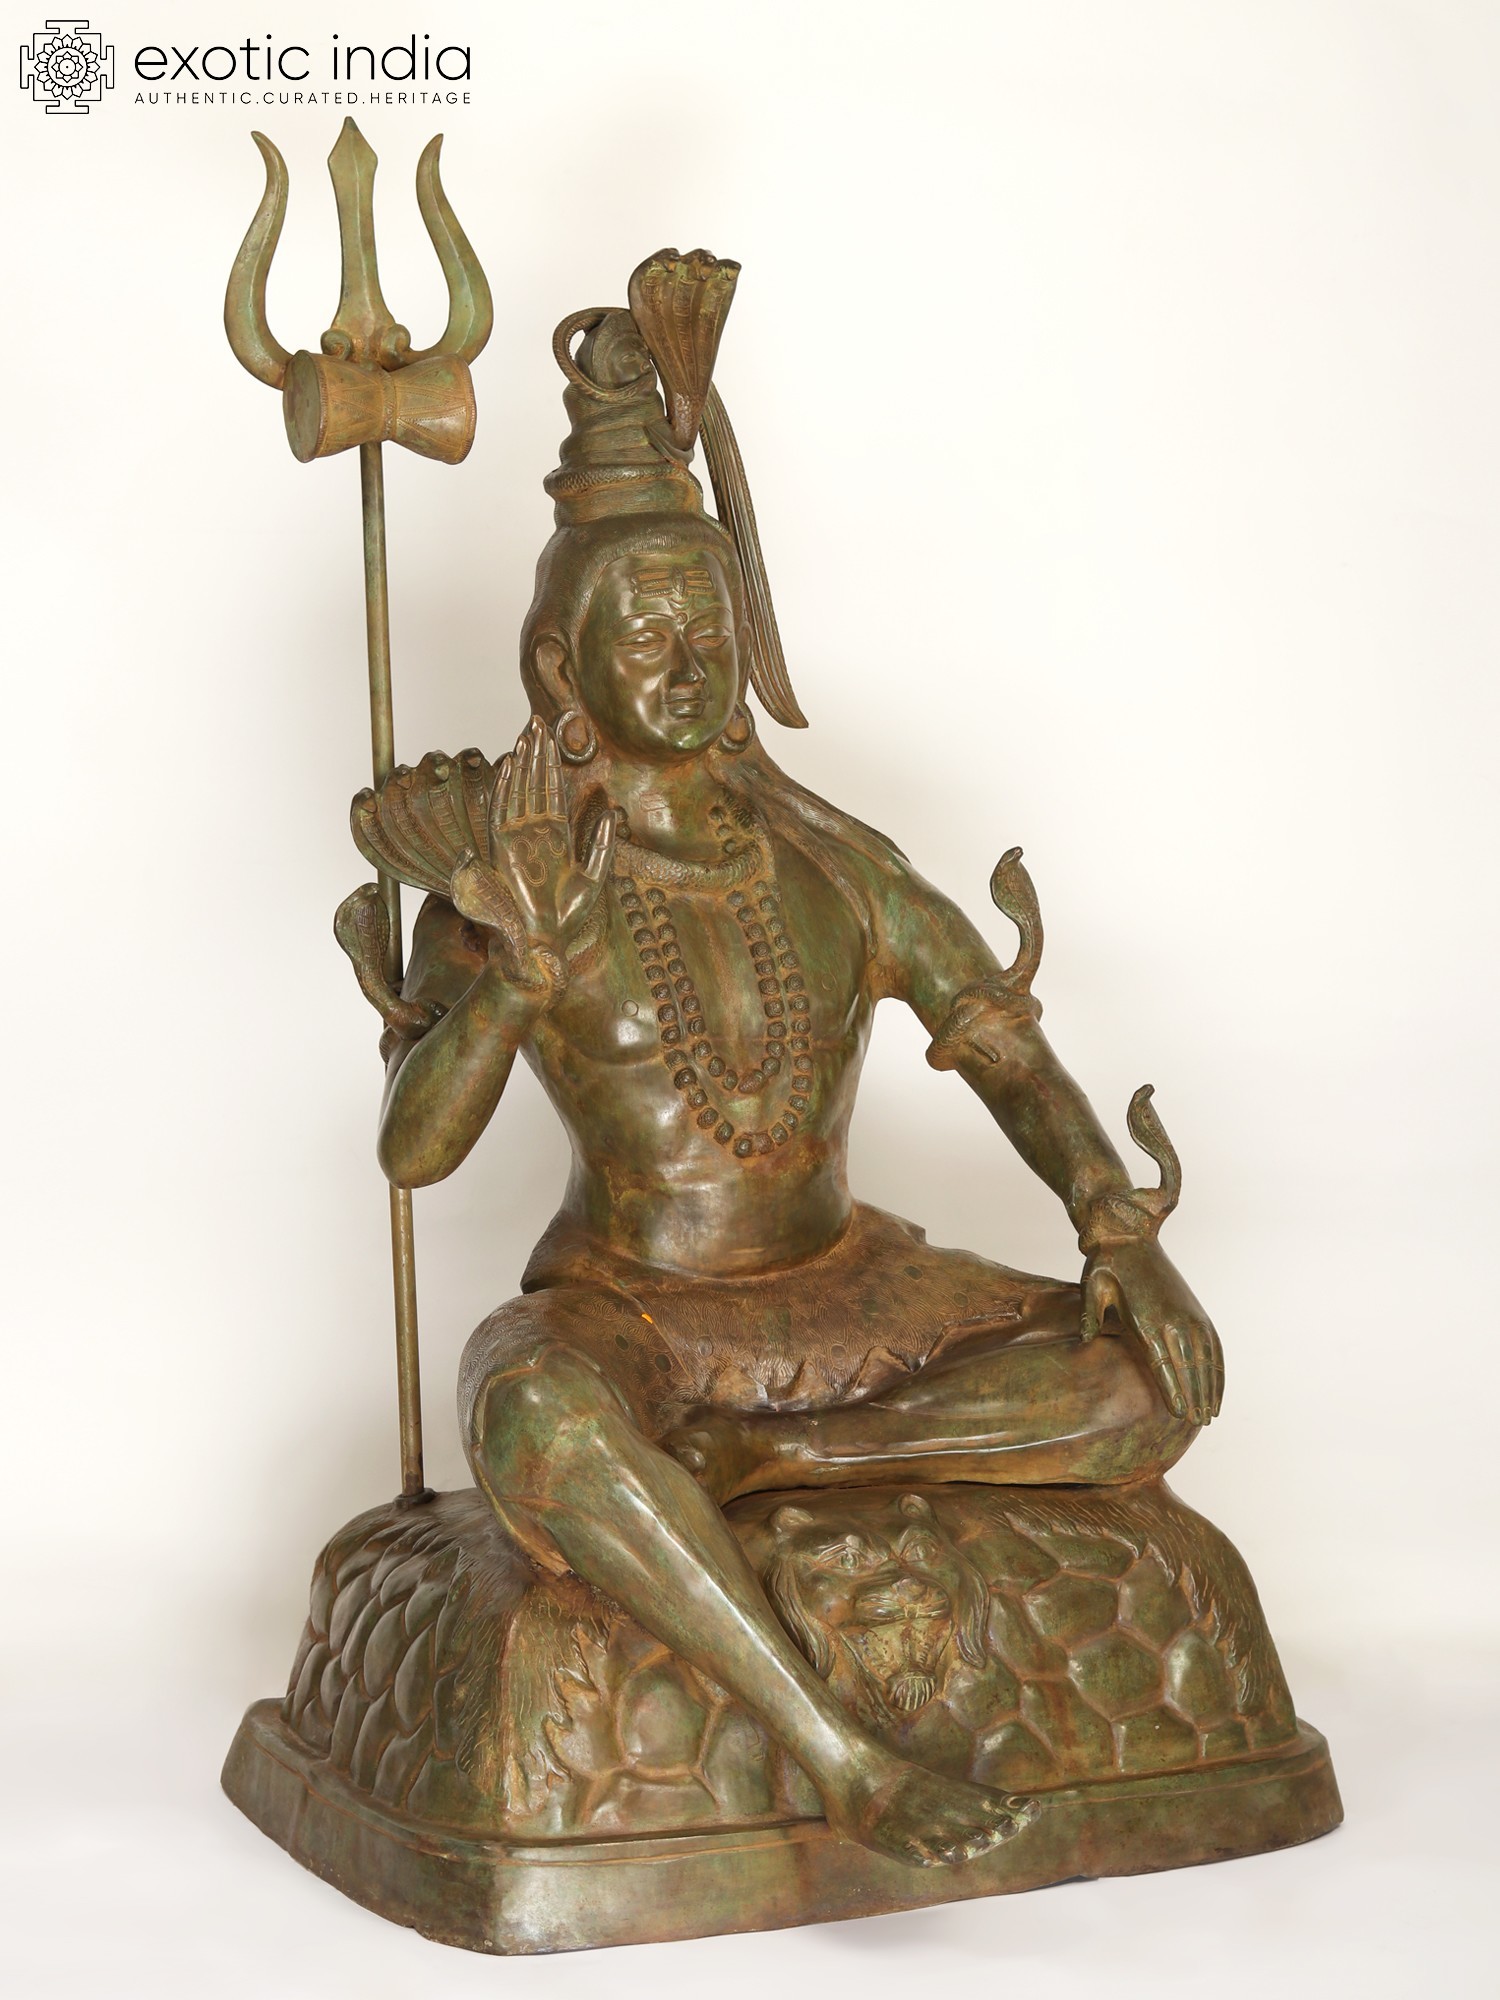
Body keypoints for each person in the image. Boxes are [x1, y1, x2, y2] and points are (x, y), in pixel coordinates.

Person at [361, 256, 1222, 1869]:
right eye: (643, 628)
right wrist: (512, 976)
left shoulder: (834, 864)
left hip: (847, 1296)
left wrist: (1116, 1225)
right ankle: (840, 1756)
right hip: (634, 1307)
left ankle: (778, 1461)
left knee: (1153, 1376)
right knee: (535, 1421)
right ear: (560, 667)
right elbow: (413, 1151)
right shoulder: (518, 875)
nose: (685, 660)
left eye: (708, 621)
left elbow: (1002, 1045)